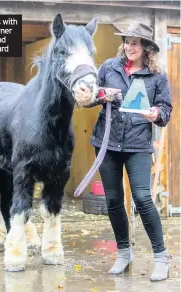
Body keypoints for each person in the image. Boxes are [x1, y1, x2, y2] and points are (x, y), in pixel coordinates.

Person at [75, 21, 172, 282]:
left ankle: (161, 257)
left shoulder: (157, 76)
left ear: (147, 47)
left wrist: (156, 114)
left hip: (138, 145)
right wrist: (98, 95)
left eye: (135, 42)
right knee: (114, 201)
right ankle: (123, 252)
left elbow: (166, 110)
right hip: (106, 143)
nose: (129, 47)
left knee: (142, 198)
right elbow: (90, 96)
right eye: (127, 41)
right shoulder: (109, 67)